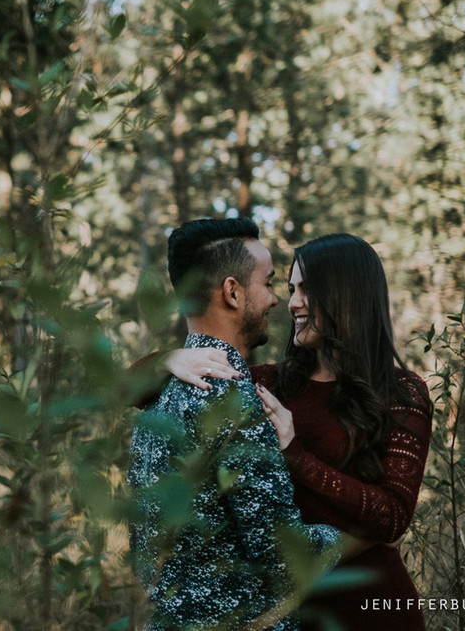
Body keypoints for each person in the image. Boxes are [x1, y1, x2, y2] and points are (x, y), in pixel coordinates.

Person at [150, 233, 433, 631]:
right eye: (288, 288)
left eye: (306, 290)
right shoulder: (270, 383)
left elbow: (393, 515)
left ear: (346, 294)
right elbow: (129, 391)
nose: (293, 302)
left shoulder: (402, 394)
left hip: (371, 607)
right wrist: (171, 358)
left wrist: (296, 455)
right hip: (287, 611)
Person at [127, 218, 350, 631]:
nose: (274, 301)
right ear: (232, 292)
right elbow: (280, 549)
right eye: (267, 284)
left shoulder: (158, 399)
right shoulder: (230, 396)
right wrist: (343, 539)